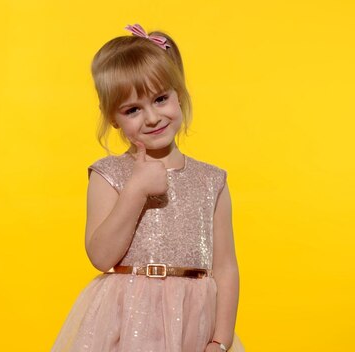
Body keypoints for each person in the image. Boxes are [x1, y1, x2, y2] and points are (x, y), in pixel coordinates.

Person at [52, 23, 245, 352]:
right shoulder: (109, 173)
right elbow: (100, 256)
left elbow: (226, 267)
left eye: (160, 99)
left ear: (179, 94)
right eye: (133, 110)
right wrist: (136, 190)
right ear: (113, 118)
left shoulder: (212, 180)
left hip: (194, 325)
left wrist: (220, 340)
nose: (152, 117)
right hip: (129, 323)